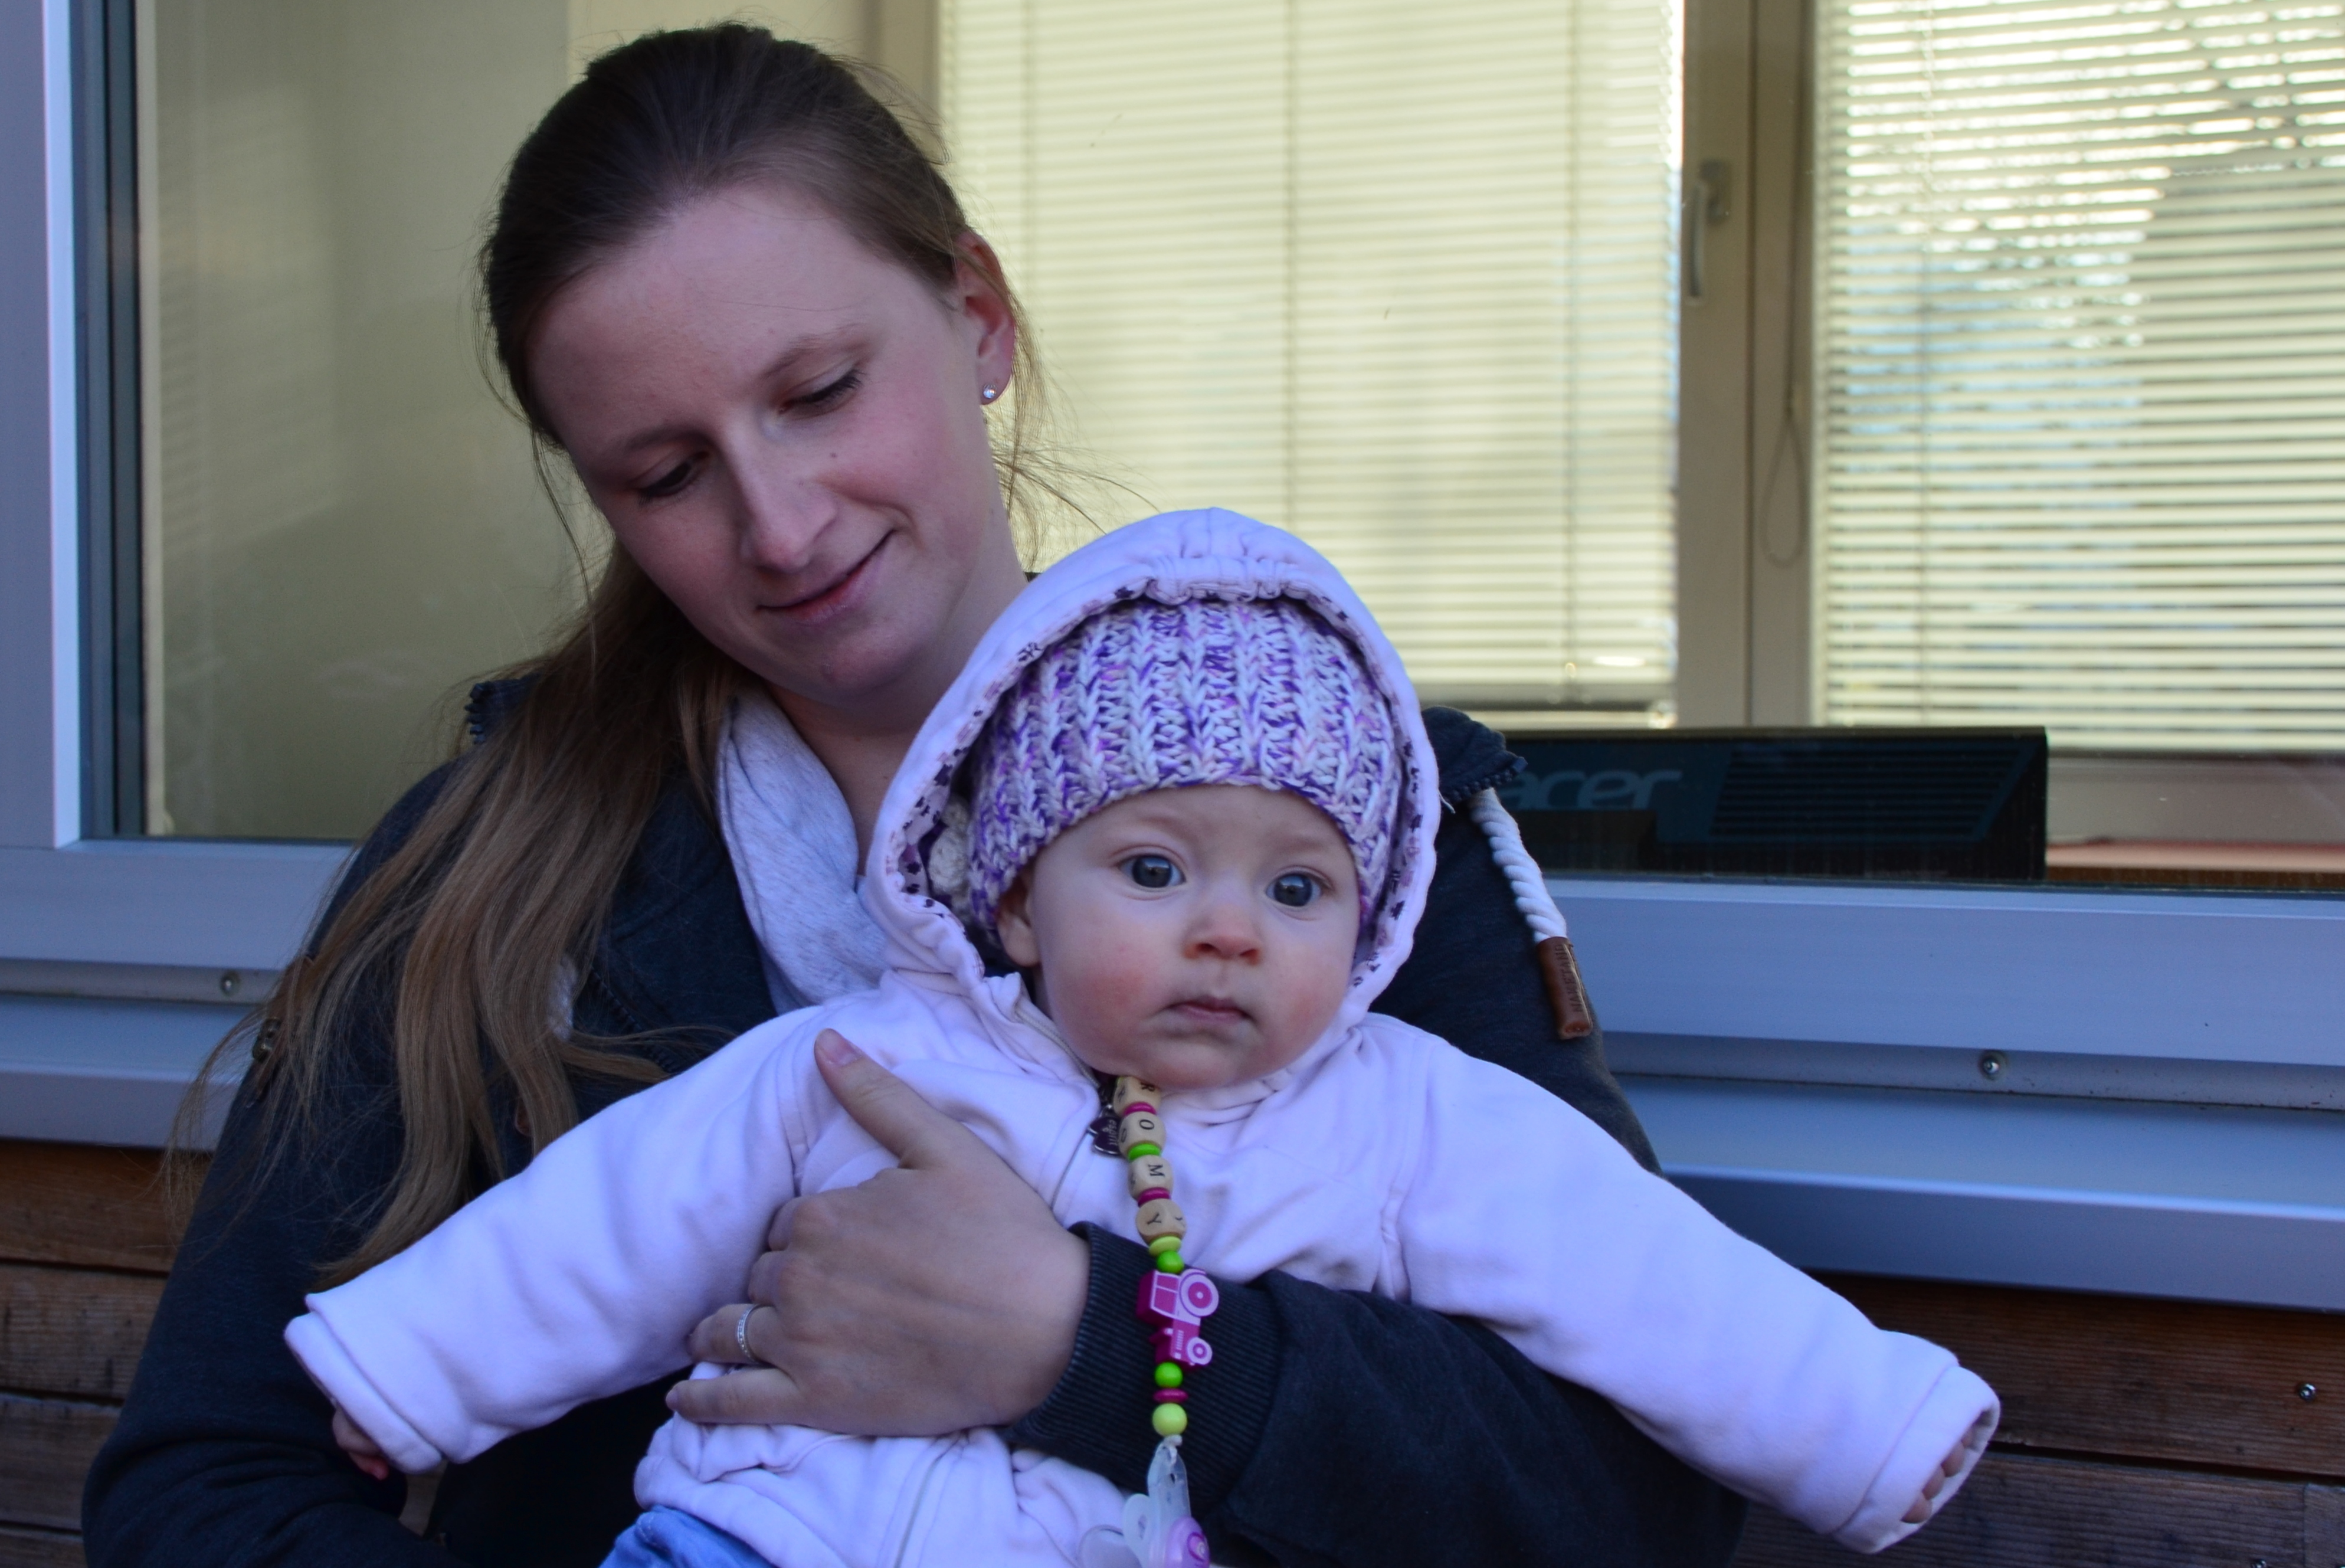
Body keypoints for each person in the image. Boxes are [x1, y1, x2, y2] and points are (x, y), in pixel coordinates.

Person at [86, 25, 1750, 1568]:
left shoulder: (1339, 828)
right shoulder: (492, 872)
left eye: (820, 393)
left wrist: (1096, 1346)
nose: (783, 525)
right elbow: (201, 1487)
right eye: (667, 475)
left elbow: (1639, 1493)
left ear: (979, 315)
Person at [290, 510, 1999, 1568]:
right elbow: (619, 1219)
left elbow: (1648, 1282)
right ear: (1021, 900)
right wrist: (409, 1372)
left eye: (1300, 887)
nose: (1229, 928)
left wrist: (1872, 1425)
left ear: (1373, 922)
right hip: (755, 1539)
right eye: (1156, 869)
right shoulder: (870, 1061)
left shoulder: (1413, 1119)